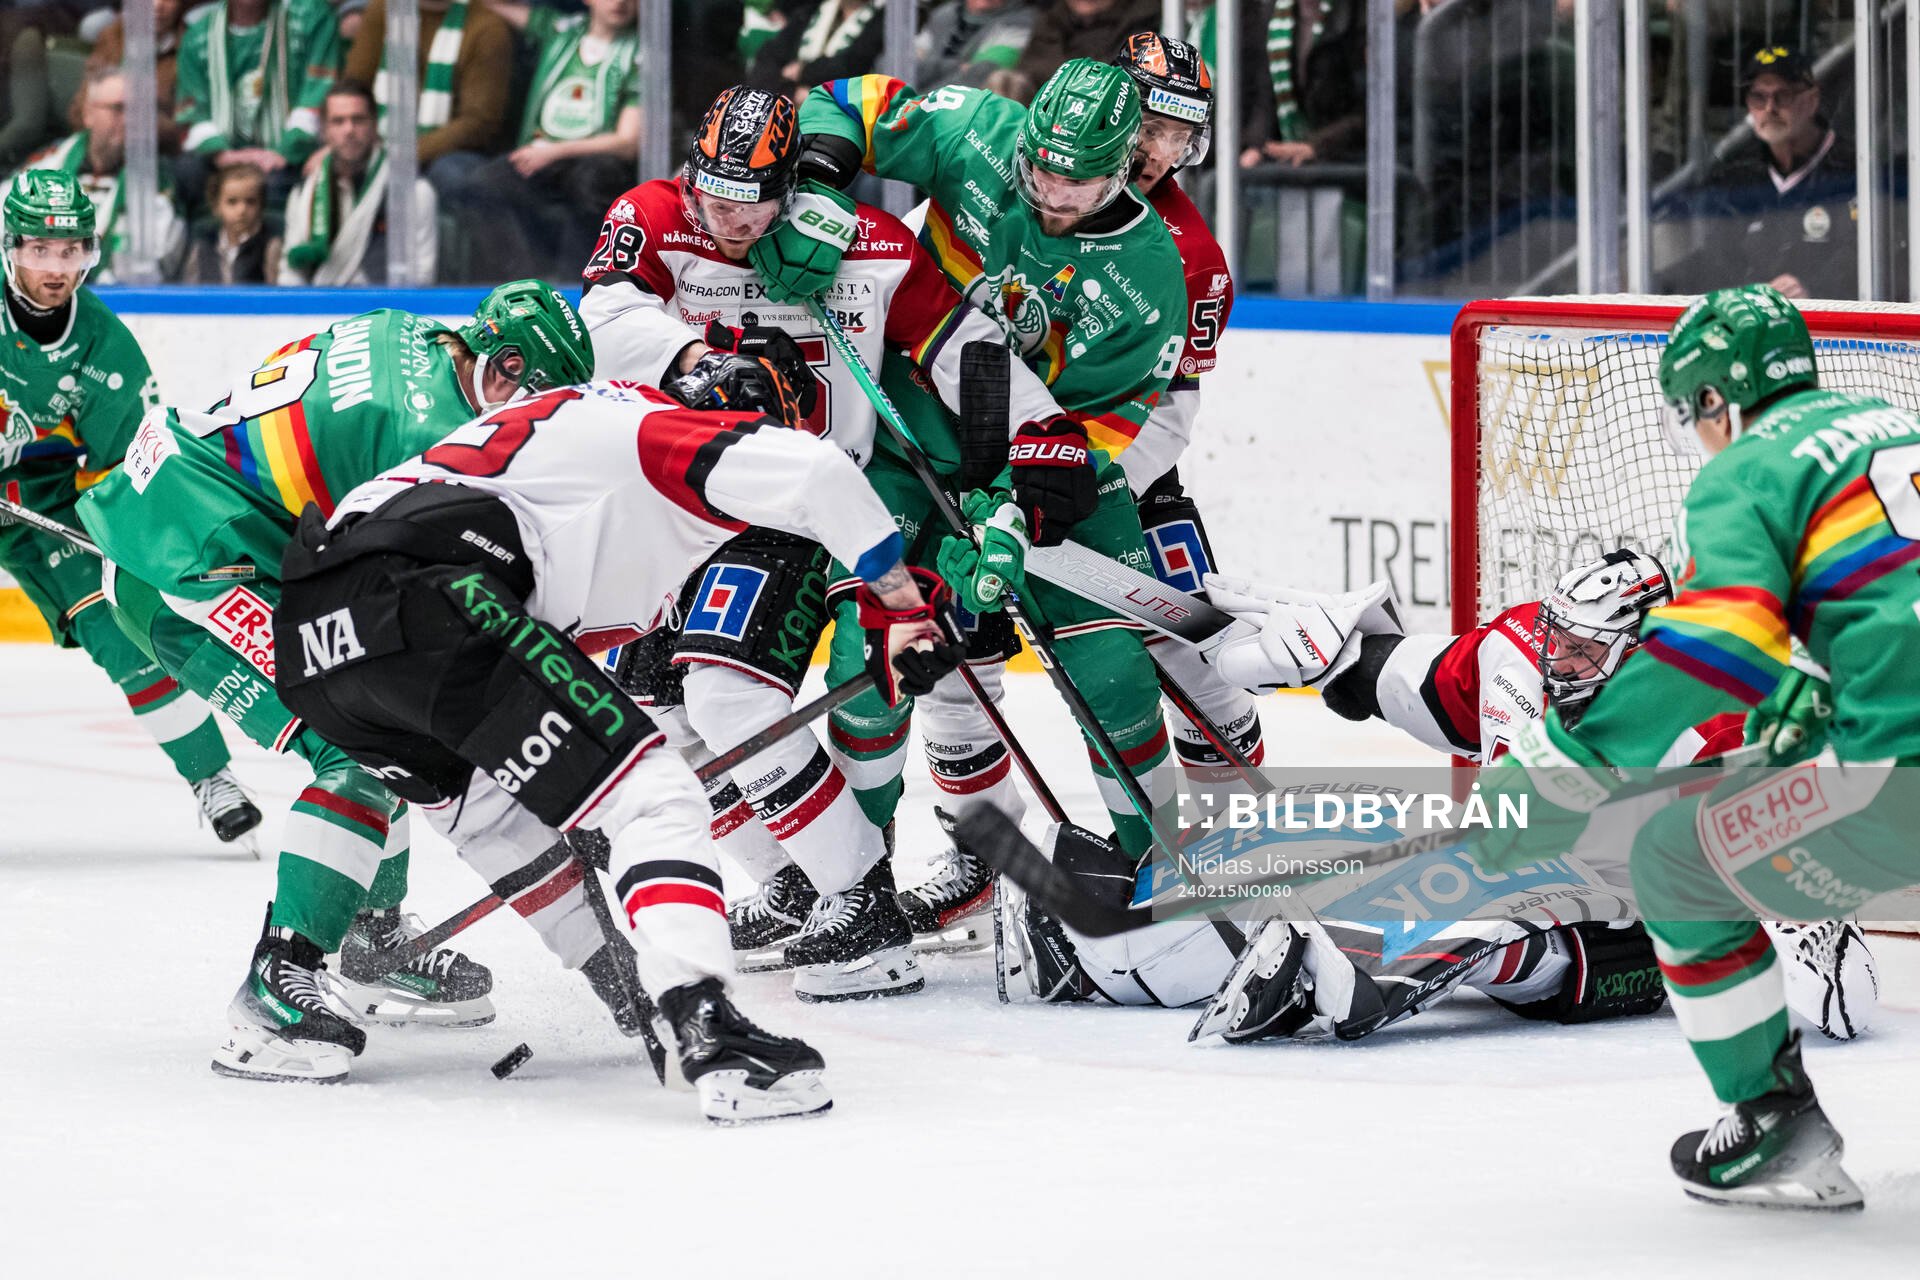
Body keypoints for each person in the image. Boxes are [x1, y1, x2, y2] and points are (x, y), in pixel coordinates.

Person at [269, 378, 964, 1123]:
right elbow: (820, 473)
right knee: (657, 793)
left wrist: (623, 976)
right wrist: (903, 608)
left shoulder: (554, 444)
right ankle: (707, 1025)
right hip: (430, 597)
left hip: (315, 645)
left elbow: (517, 809)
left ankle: (640, 999)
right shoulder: (654, 428)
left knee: (495, 820)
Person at [579, 85, 1081, 998]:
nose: (730, 217)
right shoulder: (653, 215)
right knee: (652, 700)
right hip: (674, 500)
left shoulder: (865, 245)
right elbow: (603, 318)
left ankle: (864, 909)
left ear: (789, 185)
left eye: (752, 198)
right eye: (715, 193)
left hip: (793, 501)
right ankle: (794, 885)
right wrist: (696, 362)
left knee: (727, 695)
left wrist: (1041, 437)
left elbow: (964, 345)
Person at [75, 280, 598, 1083]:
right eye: (538, 404)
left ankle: (373, 936)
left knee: (387, 723)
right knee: (357, 740)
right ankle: (275, 987)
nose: (535, 431)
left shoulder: (407, 333)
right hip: (186, 562)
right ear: (505, 365)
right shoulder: (432, 441)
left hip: (201, 517)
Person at [1471, 283, 1920, 1209]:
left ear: (1716, 399)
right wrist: (1829, 696)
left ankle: (1771, 1118)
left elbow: (1710, 648)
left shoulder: (1750, 468)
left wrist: (1557, 770)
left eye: (1694, 416)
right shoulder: (1894, 424)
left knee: (1676, 857)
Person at [1186, 550, 1876, 1046]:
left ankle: (1371, 954)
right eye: (1561, 637)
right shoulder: (1516, 650)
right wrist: (1328, 658)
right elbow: (1394, 678)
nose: (1561, 661)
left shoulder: (1712, 726)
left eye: (1586, 649)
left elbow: (1843, 989)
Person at [795, 60, 1189, 915]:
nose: (1049, 193)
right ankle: (852, 890)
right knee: (874, 651)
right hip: (905, 428)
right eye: (1041, 169)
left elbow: (1101, 429)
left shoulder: (1153, 269)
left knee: (1114, 672)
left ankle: (1161, 876)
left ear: (1124, 167)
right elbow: (847, 102)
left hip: (1035, 455)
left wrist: (1015, 507)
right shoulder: (980, 129)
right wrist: (822, 181)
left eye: (1076, 183)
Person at [1, 169, 259, 849]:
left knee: (122, 633)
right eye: (38, 251)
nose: (55, 269)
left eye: (70, 252)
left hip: (41, 499)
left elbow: (121, 474)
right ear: (9, 247)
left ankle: (211, 776)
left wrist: (138, 551)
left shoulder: (105, 349)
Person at [1109, 33, 1267, 794]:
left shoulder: (1192, 257)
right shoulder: (1021, 176)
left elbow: (1170, 414)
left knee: (1201, 655)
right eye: (1148, 125)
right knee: (951, 669)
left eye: (1177, 134)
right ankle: (972, 863)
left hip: (1118, 477)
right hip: (982, 464)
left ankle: (1238, 855)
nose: (1158, 150)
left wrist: (1093, 486)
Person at [445, 0, 639, 281]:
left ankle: (577, 289)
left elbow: (627, 142)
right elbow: (496, 6)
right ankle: (522, 287)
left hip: (594, 161)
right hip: (541, 156)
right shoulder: (561, 31)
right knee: (484, 186)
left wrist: (555, 151)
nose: (621, 2)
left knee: (593, 183)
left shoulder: (641, 53)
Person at [1662, 45, 1856, 301]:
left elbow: (1874, 253)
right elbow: (1716, 258)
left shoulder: (1853, 168)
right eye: (1758, 98)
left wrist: (1814, 287)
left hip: (1831, 333)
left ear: (1811, 100)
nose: (1769, 109)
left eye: (1782, 96)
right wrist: (1658, 287)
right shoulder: (1740, 173)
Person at [13, 66, 188, 282]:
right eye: (118, 109)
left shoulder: (161, 179)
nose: (128, 121)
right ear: (88, 114)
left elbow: (157, 260)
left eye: (135, 111)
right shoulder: (47, 166)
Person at [173, 0, 340, 217]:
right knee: (188, 171)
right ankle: (208, 247)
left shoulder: (311, 17)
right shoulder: (198, 35)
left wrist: (282, 153)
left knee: (273, 184)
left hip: (291, 152)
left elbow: (319, 95)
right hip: (223, 155)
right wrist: (224, 154)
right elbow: (192, 112)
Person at [344, 0, 515, 194]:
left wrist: (405, 155)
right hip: (378, 141)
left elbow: (480, 122)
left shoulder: (486, 28)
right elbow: (354, 88)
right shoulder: (382, 9)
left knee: (452, 174)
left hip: (447, 155)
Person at [278, 80, 437, 285]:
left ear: (374, 125)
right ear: (325, 130)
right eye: (338, 121)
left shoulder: (413, 192)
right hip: (320, 312)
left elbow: (423, 275)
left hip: (386, 311)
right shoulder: (302, 194)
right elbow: (291, 274)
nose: (349, 130)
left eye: (358, 120)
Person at [71, 0, 190, 155]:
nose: (157, 5)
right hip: (103, 142)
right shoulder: (113, 36)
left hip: (160, 150)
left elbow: (187, 120)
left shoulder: (189, 46)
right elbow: (83, 101)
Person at [1001, 0, 1159, 102]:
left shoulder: (1143, 21)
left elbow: (1113, 80)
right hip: (1041, 106)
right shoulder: (1054, 17)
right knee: (1005, 82)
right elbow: (1031, 66)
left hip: (1097, 114)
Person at [748, 0, 885, 98]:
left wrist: (803, 70)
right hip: (793, 101)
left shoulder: (884, 17)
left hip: (843, 107)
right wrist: (790, 94)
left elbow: (853, 64)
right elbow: (769, 56)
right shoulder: (811, 11)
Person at [178, 162, 281, 283]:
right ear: (216, 206)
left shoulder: (271, 247)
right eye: (232, 202)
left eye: (251, 202)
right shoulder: (202, 248)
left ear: (261, 206)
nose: (241, 210)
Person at [914, 0, 1036, 90]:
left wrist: (922, 103)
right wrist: (957, 67)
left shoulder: (1021, 22)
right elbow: (912, 65)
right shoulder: (943, 14)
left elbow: (983, 73)